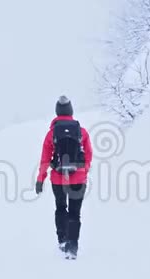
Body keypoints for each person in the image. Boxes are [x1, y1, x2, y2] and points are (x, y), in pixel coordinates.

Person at [35, 96, 93, 259]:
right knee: (75, 213)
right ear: (71, 111)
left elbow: (45, 159)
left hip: (58, 179)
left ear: (57, 112)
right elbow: (88, 154)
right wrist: (84, 170)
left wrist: (40, 178)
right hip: (78, 179)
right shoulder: (81, 132)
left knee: (61, 208)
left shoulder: (51, 134)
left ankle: (62, 240)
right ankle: (72, 247)